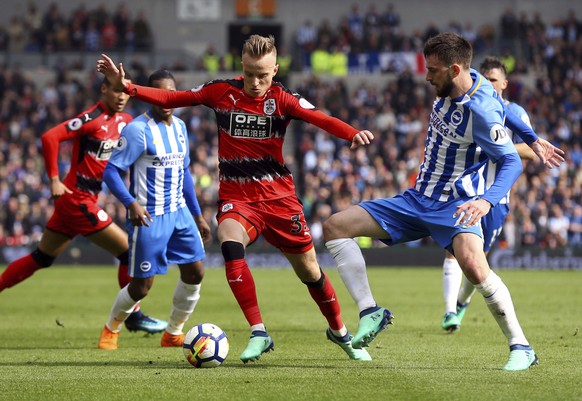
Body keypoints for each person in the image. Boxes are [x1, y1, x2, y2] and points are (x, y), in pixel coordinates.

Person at [97, 34, 375, 363]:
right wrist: (128, 87)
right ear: (242, 66)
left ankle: (340, 333)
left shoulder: (283, 100)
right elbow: (173, 97)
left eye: (264, 75)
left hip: (280, 199)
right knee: (229, 241)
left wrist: (351, 132)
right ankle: (259, 331)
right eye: (250, 73)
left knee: (311, 272)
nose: (256, 82)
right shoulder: (221, 92)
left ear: (275, 71)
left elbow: (321, 118)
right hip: (238, 199)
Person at [323, 32, 563, 371]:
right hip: (417, 198)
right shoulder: (472, 81)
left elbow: (512, 161)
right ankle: (370, 311)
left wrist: (487, 201)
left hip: (455, 205)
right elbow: (504, 111)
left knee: (476, 267)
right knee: (335, 226)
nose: (426, 76)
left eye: (433, 70)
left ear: (453, 69)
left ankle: (521, 347)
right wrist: (534, 138)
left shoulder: (478, 110)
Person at [0, 76, 167, 334]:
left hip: (81, 200)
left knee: (41, 258)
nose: (122, 97)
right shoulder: (91, 119)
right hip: (77, 199)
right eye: (116, 91)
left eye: (126, 93)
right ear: (103, 89)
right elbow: (49, 137)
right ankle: (133, 315)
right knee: (128, 254)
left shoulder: (126, 121)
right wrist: (54, 179)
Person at [97, 70, 210, 350]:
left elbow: (184, 174)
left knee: (195, 273)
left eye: (170, 94)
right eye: (159, 94)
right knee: (141, 286)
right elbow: (111, 172)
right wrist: (130, 203)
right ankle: (111, 327)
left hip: (180, 213)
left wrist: (197, 216)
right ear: (149, 95)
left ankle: (173, 332)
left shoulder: (181, 128)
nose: (166, 100)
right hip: (149, 217)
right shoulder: (138, 130)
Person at [440, 56, 547, 332]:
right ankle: (450, 311)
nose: (488, 83)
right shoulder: (471, 107)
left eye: (494, 80)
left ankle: (461, 304)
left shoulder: (515, 113)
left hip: (497, 198)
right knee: (455, 251)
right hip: (466, 192)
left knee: (479, 259)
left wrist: (501, 147)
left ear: (505, 84)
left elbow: (531, 151)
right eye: (484, 78)